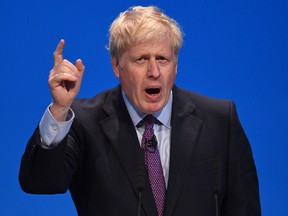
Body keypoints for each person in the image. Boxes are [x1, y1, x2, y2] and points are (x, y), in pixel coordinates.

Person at [19, 5, 261, 216]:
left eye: (163, 59)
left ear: (175, 65)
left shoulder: (219, 120)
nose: (154, 71)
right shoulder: (84, 122)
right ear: (116, 65)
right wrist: (60, 109)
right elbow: (40, 183)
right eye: (141, 59)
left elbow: (245, 208)